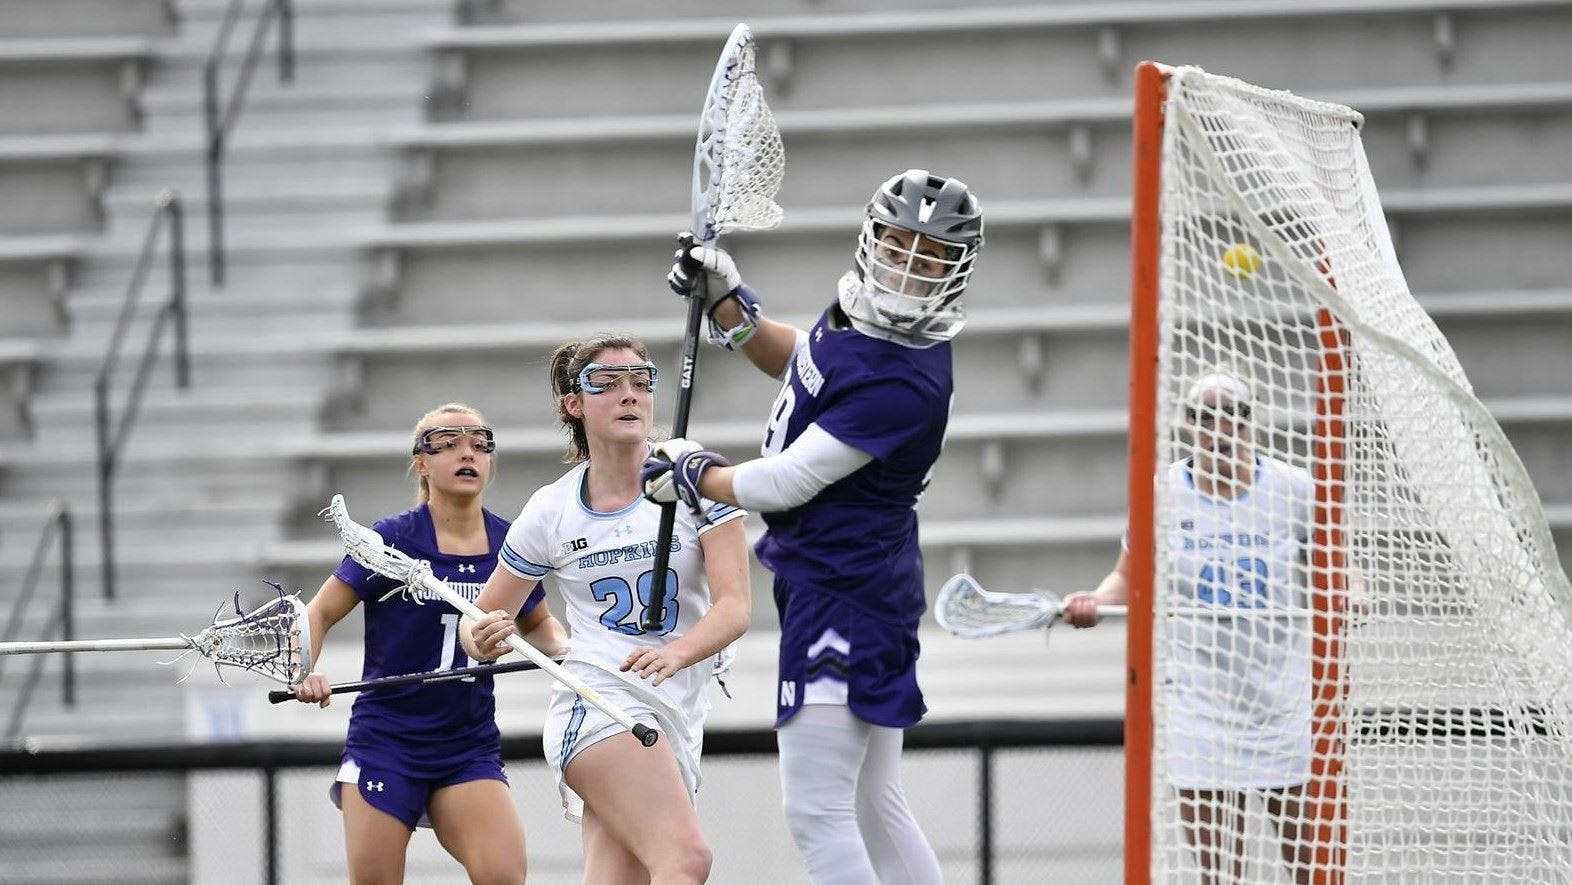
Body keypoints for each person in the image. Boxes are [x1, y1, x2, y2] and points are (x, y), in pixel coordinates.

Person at [641, 169, 984, 885]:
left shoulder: (907, 379)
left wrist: (694, 471)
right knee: (873, 803)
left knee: (816, 809)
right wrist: (732, 309)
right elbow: (808, 368)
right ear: (872, 240)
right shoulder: (860, 316)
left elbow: (788, 479)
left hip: (845, 595)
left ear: (955, 272)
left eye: (930, 260)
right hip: (857, 585)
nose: (907, 269)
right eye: (898, 246)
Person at [460, 333, 752, 885]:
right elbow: (477, 626)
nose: (629, 395)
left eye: (641, 382)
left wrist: (676, 654)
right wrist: (486, 636)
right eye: (607, 384)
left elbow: (735, 608)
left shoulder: (697, 478)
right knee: (686, 859)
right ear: (574, 404)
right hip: (599, 703)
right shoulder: (551, 510)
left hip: (674, 710)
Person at [1061, 370, 1318, 885]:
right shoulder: (1162, 493)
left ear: (1250, 424)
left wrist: (1352, 594)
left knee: (1311, 869)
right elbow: (1124, 579)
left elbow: (1337, 567)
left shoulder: (1293, 490)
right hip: (1199, 701)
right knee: (1219, 877)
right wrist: (1094, 600)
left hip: (1279, 698)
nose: (1218, 430)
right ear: (1189, 425)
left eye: (1232, 416)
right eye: (1205, 417)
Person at [290, 402, 564, 885]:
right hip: (386, 743)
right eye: (449, 443)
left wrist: (574, 655)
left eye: (480, 445)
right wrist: (302, 669)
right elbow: (320, 613)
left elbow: (541, 626)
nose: (468, 454)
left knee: (504, 876)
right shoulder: (390, 539)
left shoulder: (511, 540)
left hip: (467, 744)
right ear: (421, 461)